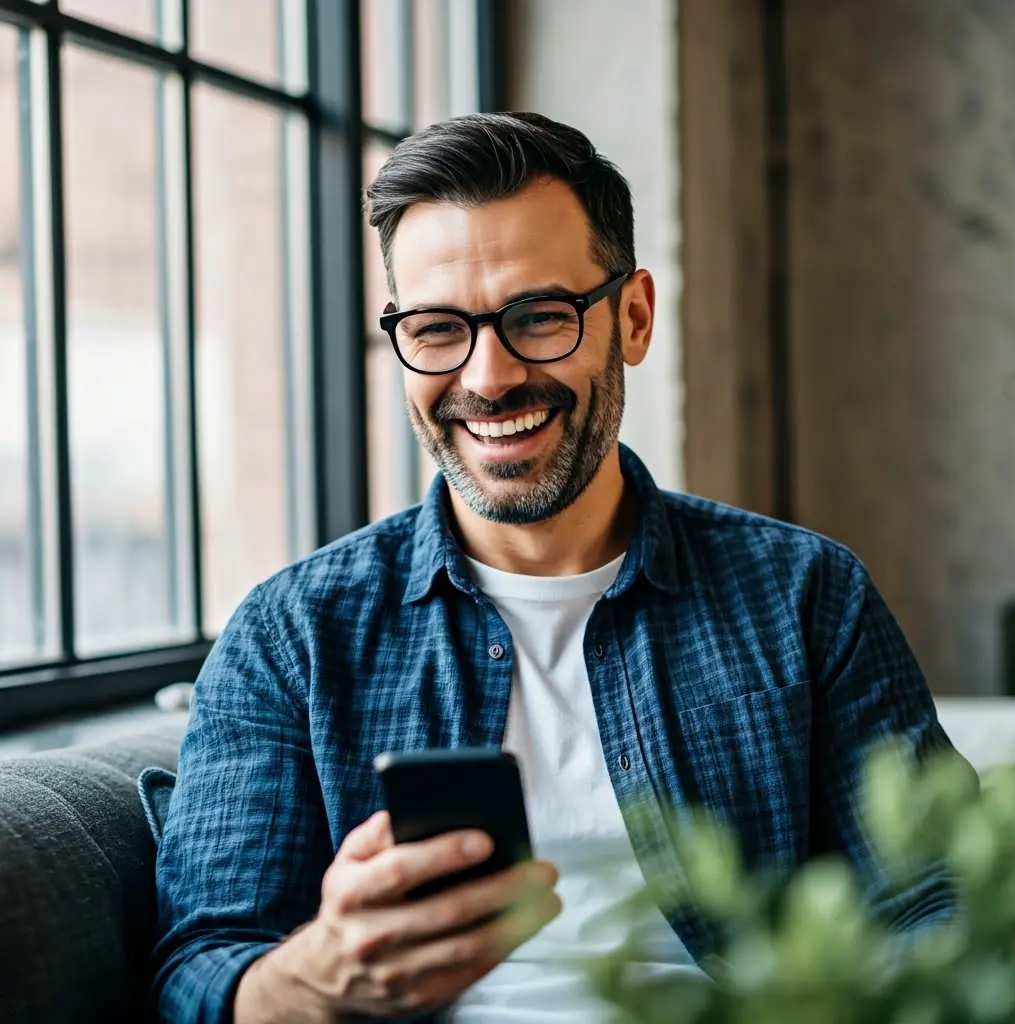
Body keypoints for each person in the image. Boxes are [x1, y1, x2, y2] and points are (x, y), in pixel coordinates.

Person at [150, 112, 960, 1023]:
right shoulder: (293, 634)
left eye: (540, 316)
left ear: (635, 317)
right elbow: (199, 972)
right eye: (437, 328)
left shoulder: (805, 593)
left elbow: (939, 902)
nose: (488, 377)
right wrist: (319, 975)